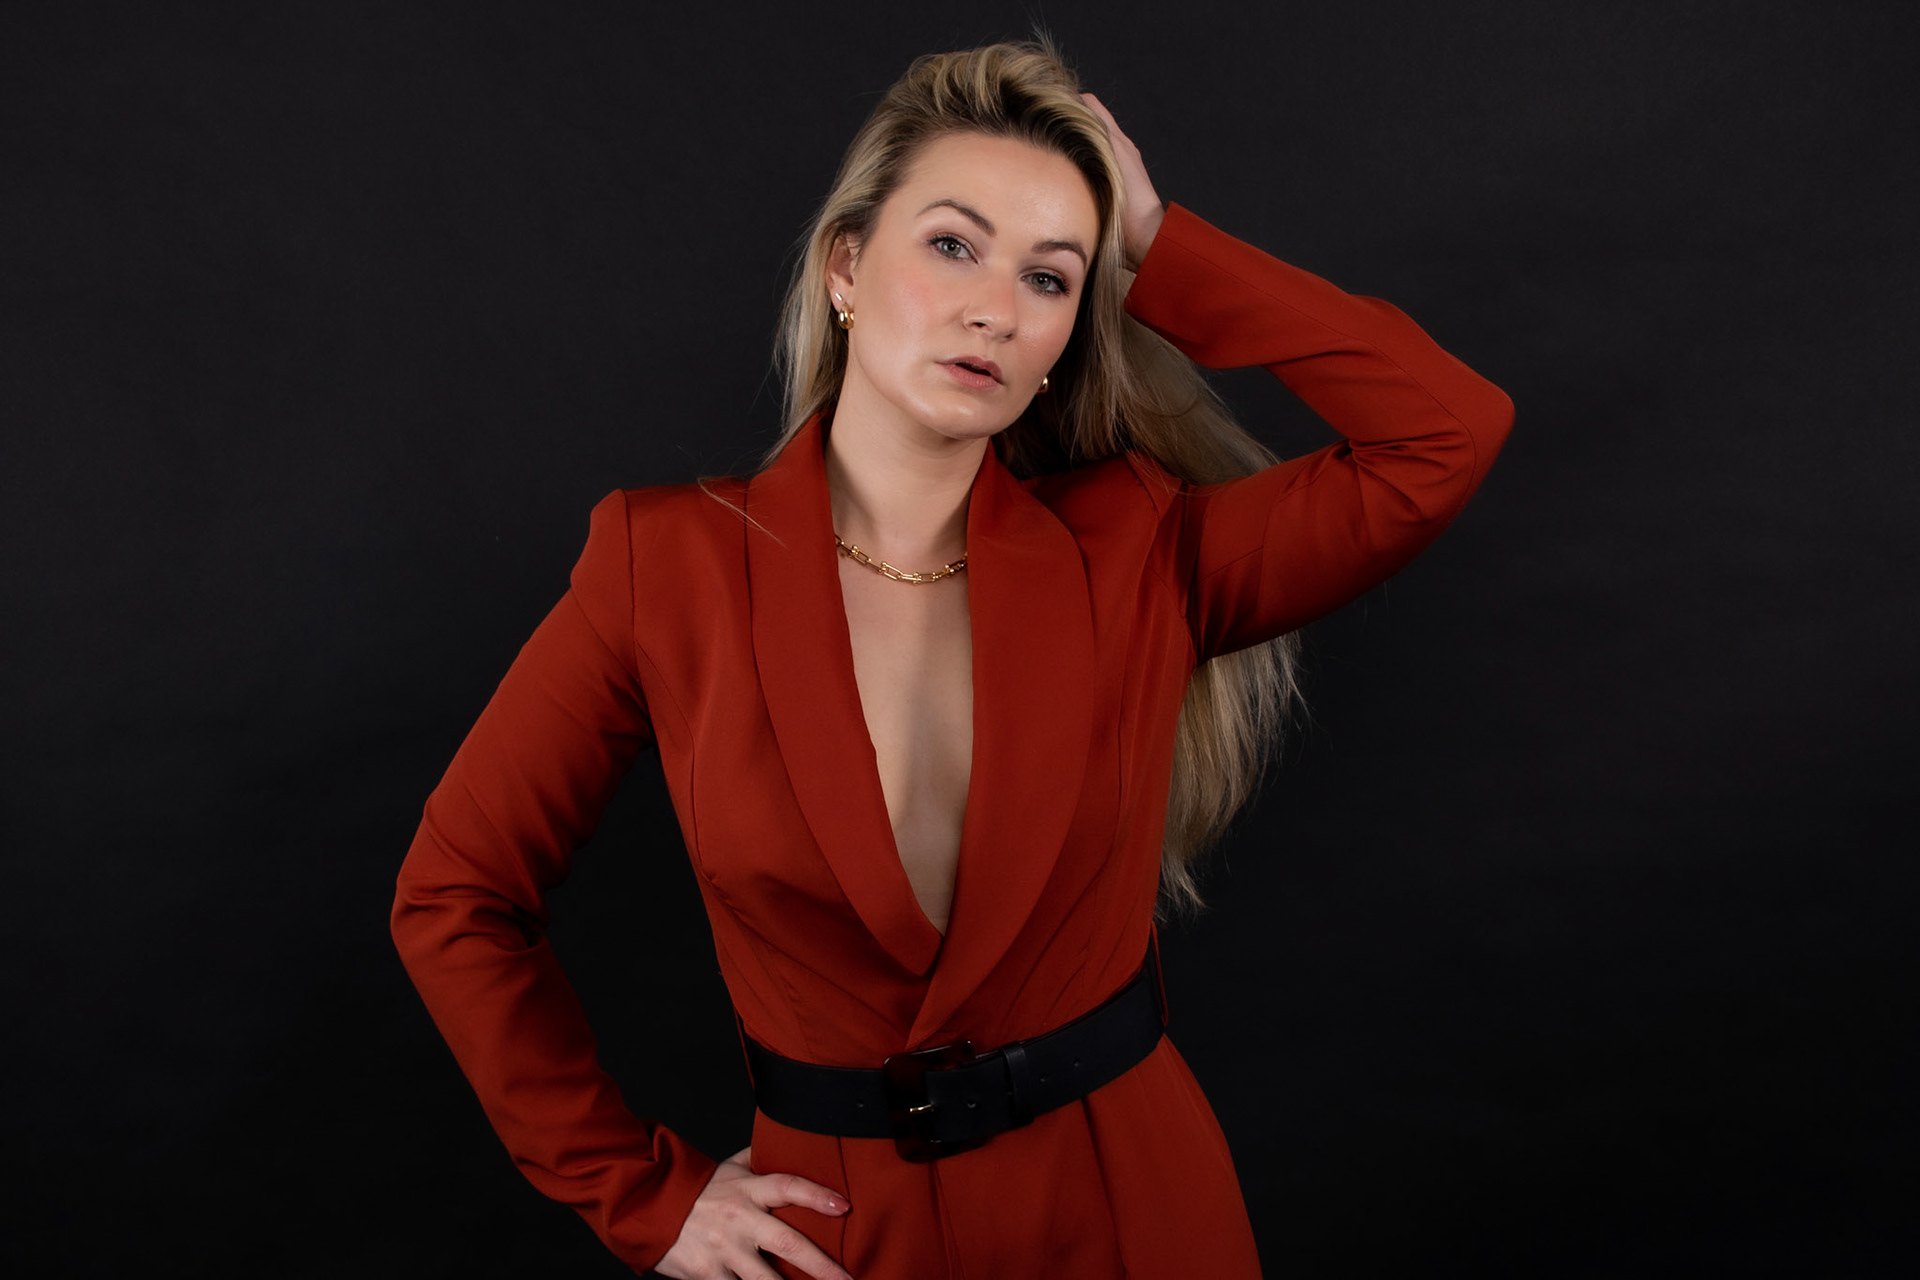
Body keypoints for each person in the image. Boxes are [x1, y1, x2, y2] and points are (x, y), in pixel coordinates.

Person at [390, 38, 1513, 1280]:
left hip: (1133, 1211)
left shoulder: (1140, 546)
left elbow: (1445, 432)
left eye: (1050, 276)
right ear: (846, 267)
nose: (996, 308)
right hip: (838, 1234)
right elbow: (455, 890)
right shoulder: (665, 565)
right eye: (952, 244)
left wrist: (1158, 245)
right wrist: (640, 1193)